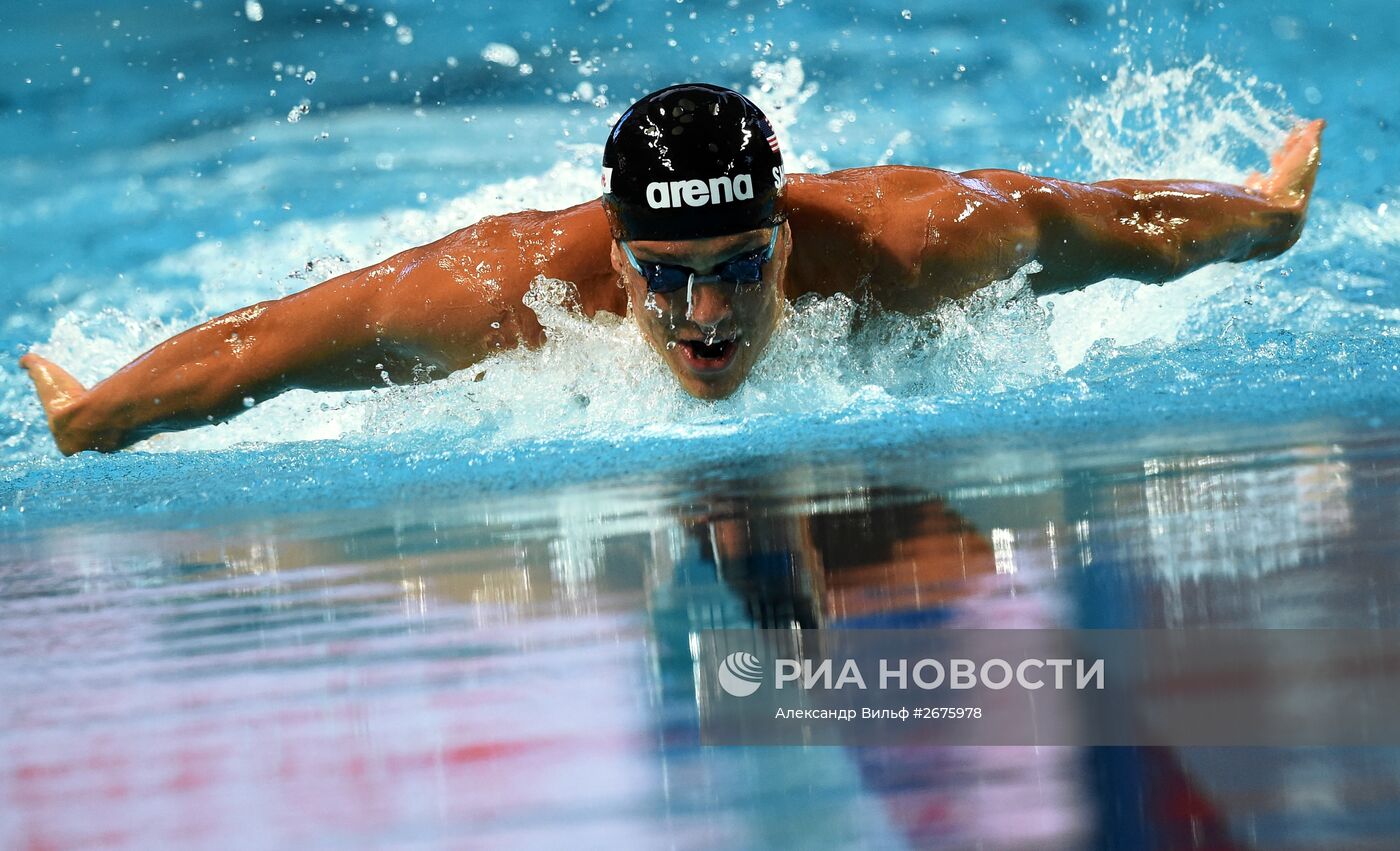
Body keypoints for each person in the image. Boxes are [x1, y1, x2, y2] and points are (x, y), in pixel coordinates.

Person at [20, 83, 1324, 455]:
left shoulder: (918, 245)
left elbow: (1098, 222)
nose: (706, 319)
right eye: (668, 275)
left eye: (741, 268)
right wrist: (103, 414)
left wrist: (1262, 214)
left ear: (788, 236)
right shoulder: (506, 295)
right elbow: (269, 347)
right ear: (619, 253)